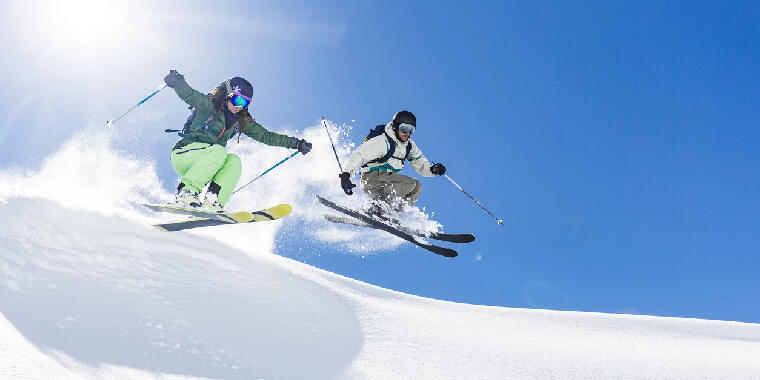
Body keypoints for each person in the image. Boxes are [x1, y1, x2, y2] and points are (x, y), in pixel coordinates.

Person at [163, 70, 312, 211]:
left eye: (244, 103)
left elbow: (267, 136)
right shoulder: (208, 106)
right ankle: (186, 192)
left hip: (206, 164)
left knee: (234, 161)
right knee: (219, 151)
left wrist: (295, 143)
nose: (239, 106)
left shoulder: (241, 121)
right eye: (237, 99)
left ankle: (213, 201)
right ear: (228, 94)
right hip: (184, 155)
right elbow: (190, 95)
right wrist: (178, 82)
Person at [338, 110, 446, 219]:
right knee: (410, 184)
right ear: (396, 126)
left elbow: (420, 163)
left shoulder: (409, 146)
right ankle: (377, 209)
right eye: (404, 128)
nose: (407, 133)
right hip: (372, 178)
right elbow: (361, 155)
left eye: (411, 129)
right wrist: (346, 175)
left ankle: (392, 214)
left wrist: (432, 169)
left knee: (417, 186)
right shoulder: (383, 141)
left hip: (387, 181)